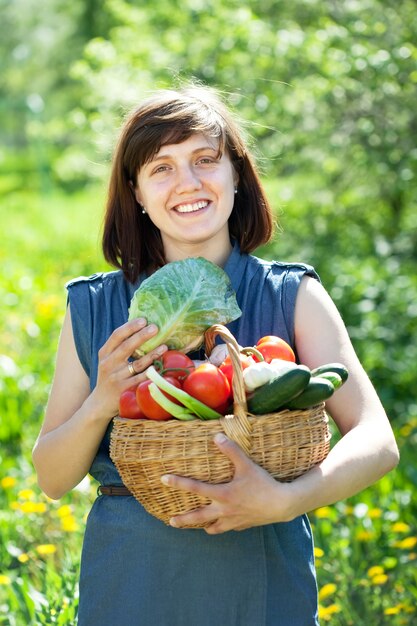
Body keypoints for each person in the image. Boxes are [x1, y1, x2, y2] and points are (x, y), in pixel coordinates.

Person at [32, 84, 399, 625]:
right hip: (131, 588)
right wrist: (101, 401)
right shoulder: (94, 305)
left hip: (262, 587)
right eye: (162, 168)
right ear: (135, 190)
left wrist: (283, 501)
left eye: (206, 160)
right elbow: (52, 477)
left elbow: (378, 441)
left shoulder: (291, 295)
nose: (189, 183)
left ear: (236, 176)